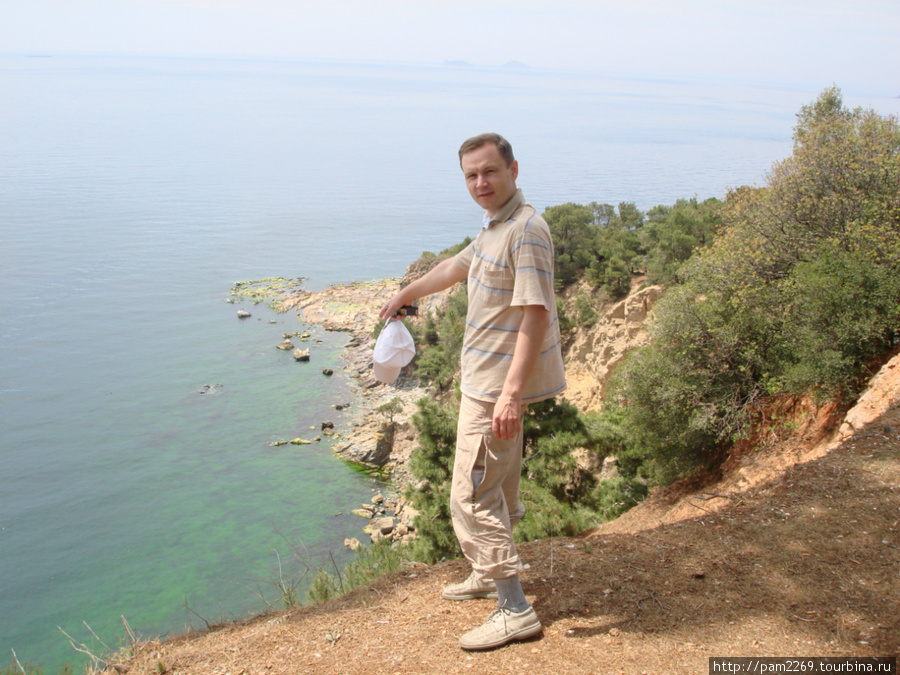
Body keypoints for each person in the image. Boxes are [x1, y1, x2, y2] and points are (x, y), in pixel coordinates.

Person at [379, 132, 566, 651]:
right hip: (483, 384)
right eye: (471, 175)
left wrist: (508, 395)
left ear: (513, 170)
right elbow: (454, 267)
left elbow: (535, 313)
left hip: (493, 391)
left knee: (472, 496)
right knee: (499, 489)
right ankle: (488, 575)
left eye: (489, 171)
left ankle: (514, 609)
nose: (480, 183)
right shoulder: (495, 227)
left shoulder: (526, 231)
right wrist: (405, 293)